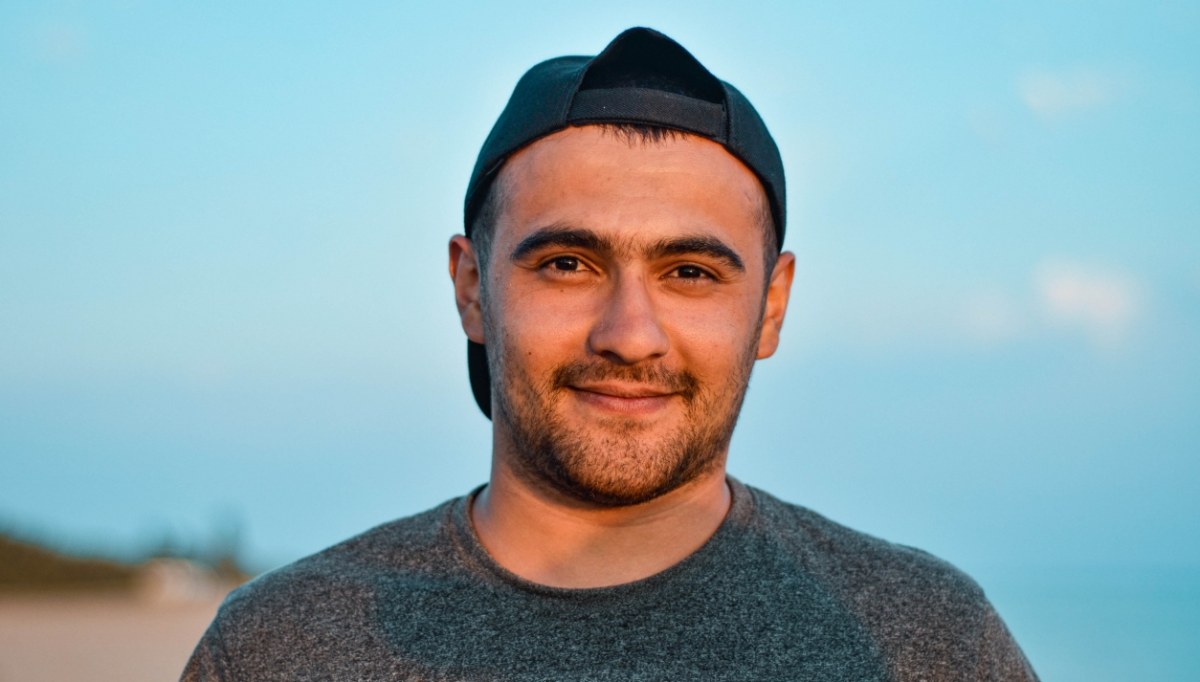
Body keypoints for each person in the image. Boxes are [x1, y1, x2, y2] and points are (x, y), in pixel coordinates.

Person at [183, 27, 1038, 681]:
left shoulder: (924, 639)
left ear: (771, 308)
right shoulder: (281, 647)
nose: (630, 334)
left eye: (692, 271)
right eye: (566, 264)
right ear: (472, 287)